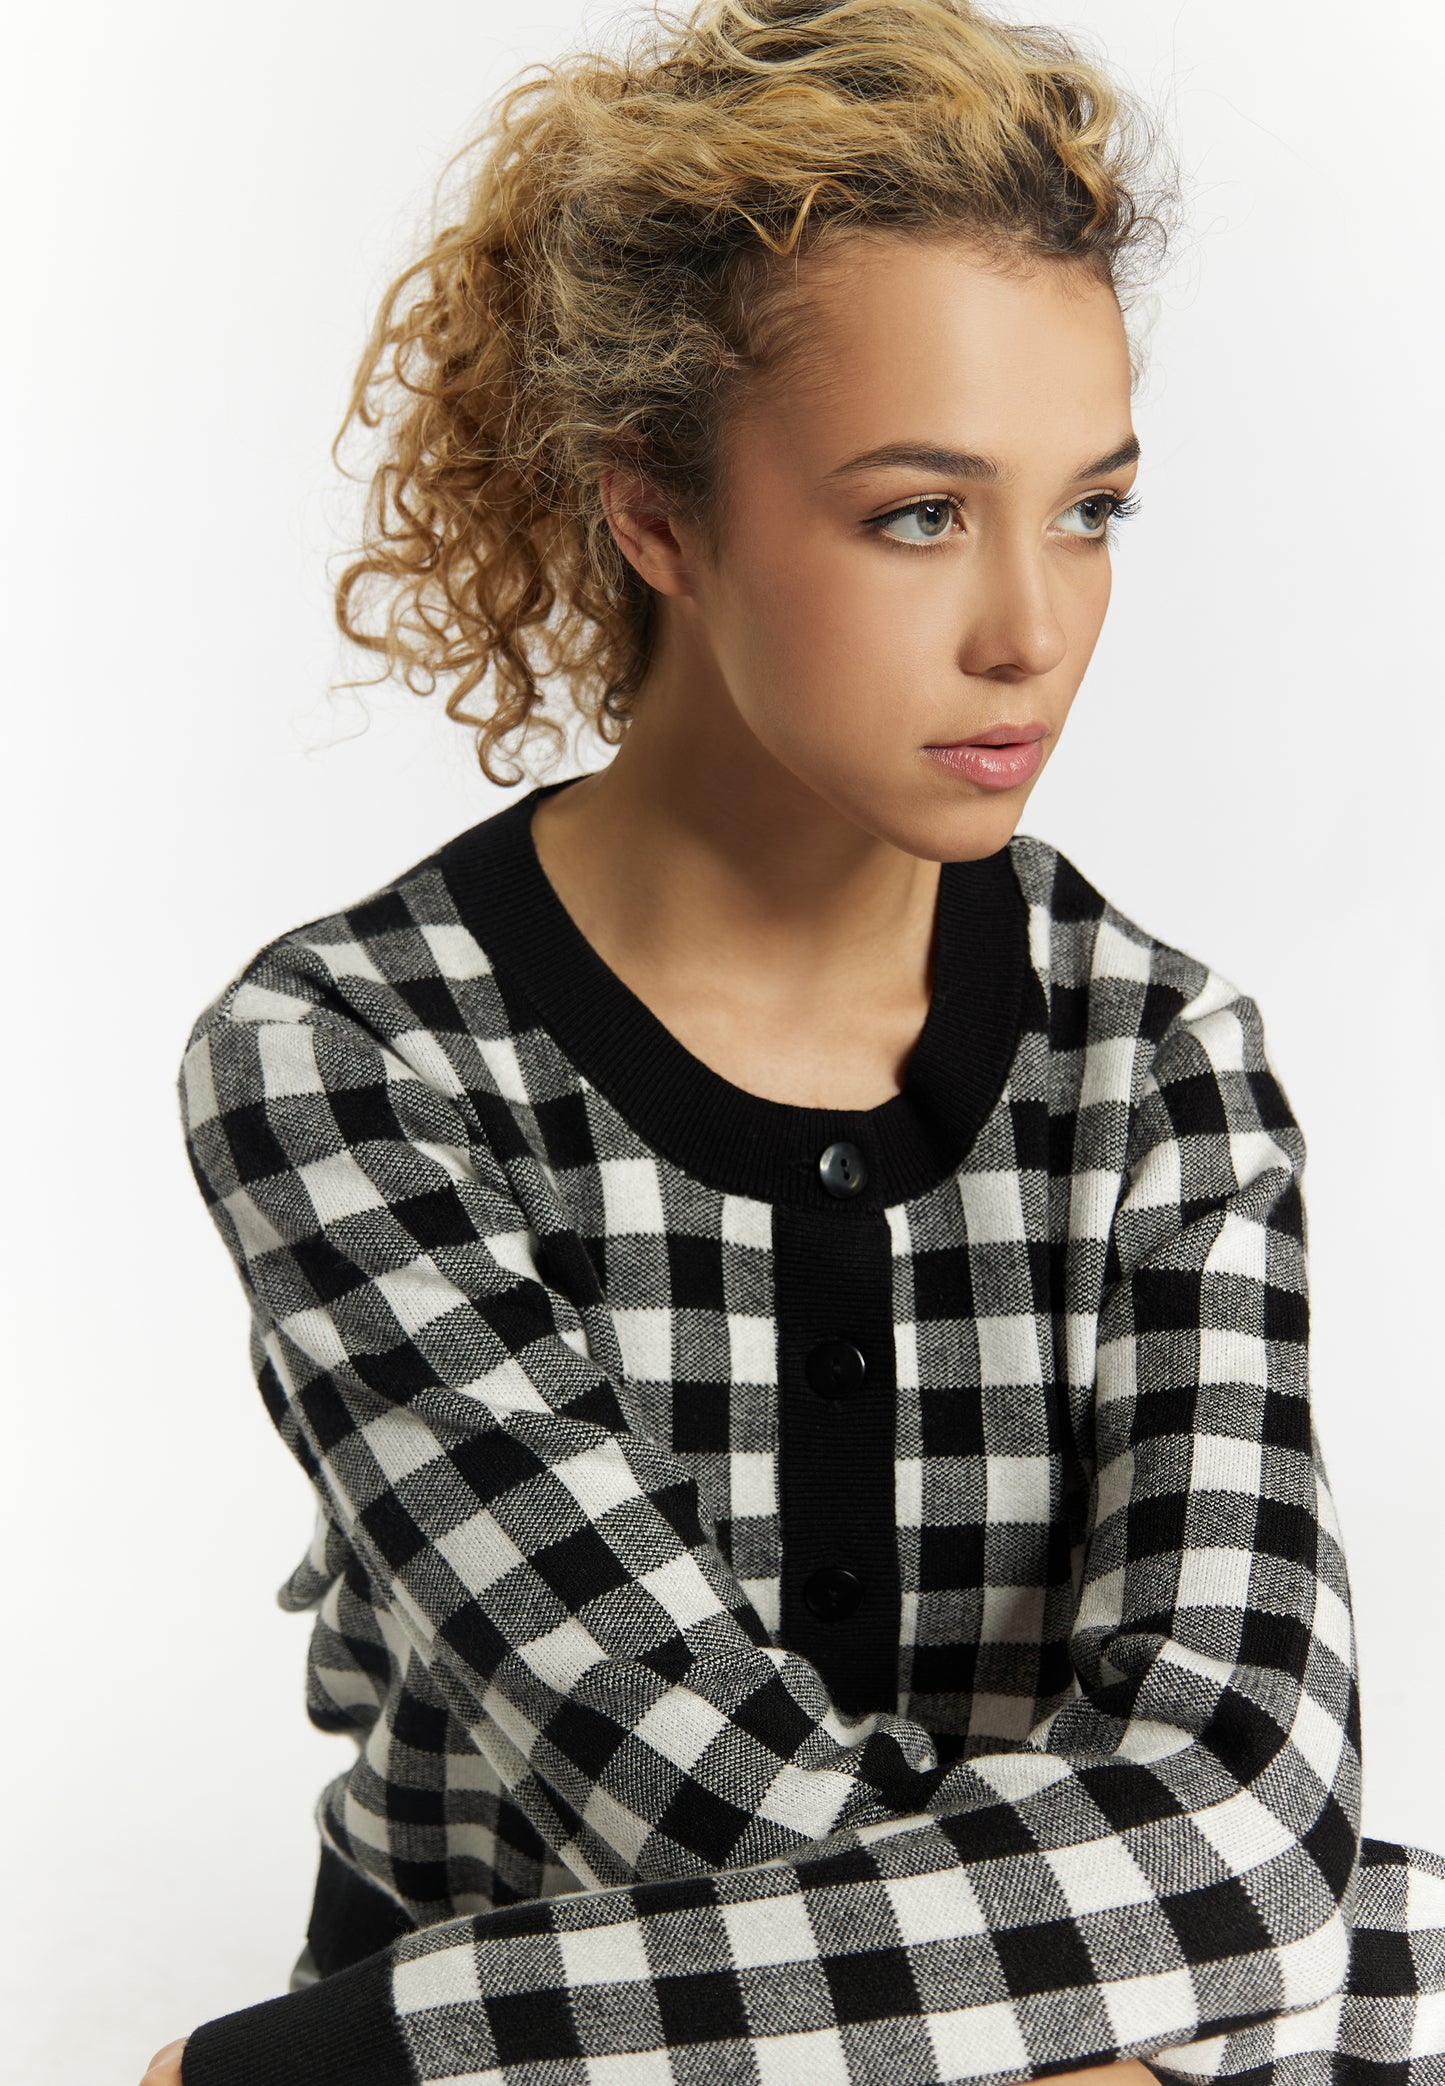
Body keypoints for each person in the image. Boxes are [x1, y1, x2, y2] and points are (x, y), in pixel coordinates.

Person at [146, 0, 1445, 2080]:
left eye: (1091, 508)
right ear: (656, 516)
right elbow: (689, 1798)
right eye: (920, 513)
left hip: (508, 2033)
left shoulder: (1161, 1059)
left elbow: (1248, 1817)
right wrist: (1118, 2015)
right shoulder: (348, 1064)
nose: (1032, 625)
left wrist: (341, 2054)